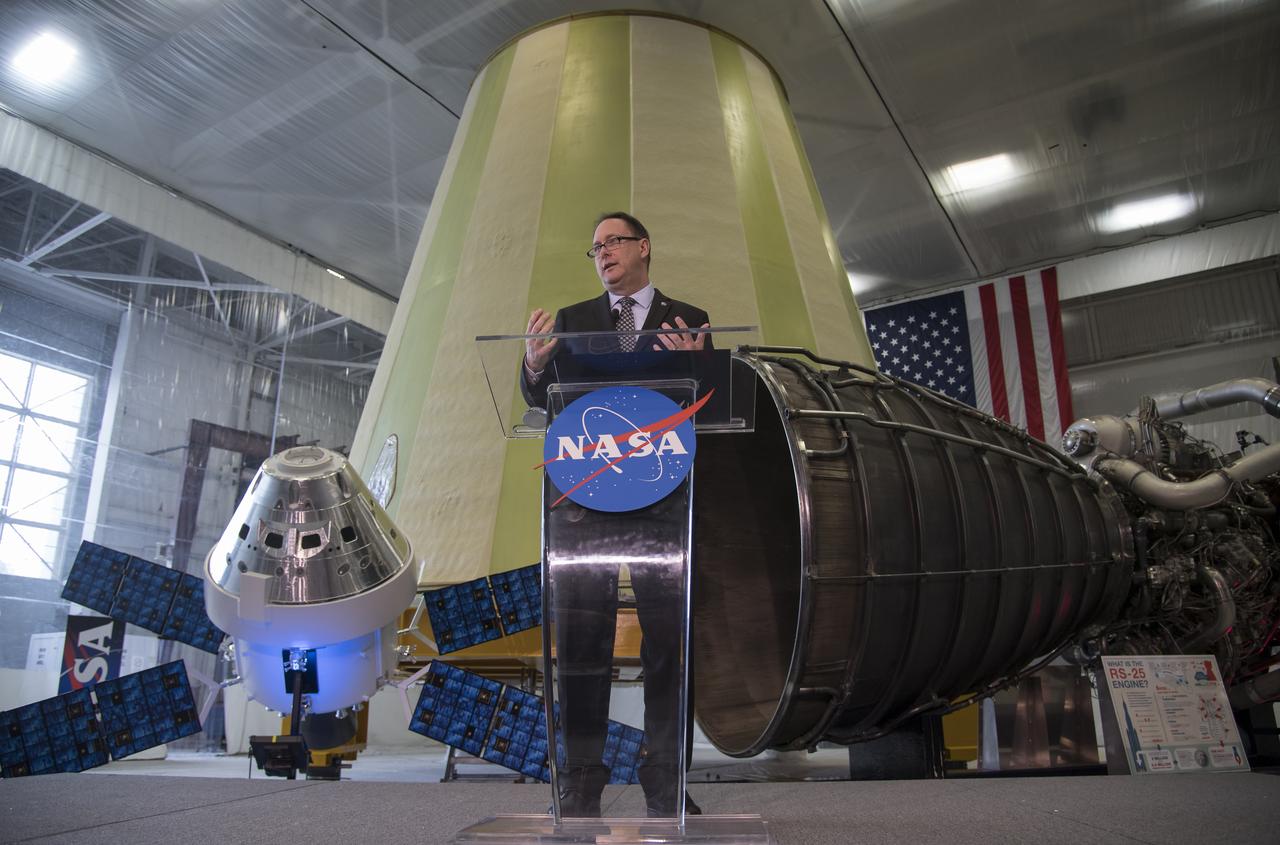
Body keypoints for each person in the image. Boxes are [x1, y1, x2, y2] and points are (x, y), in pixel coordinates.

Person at [523, 212, 708, 818]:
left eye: (612, 242)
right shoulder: (573, 321)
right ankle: (579, 782)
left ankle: (664, 780)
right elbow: (537, 398)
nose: (602, 253)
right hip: (585, 501)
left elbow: (710, 401)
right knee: (581, 641)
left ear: (644, 247)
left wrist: (698, 367)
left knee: (668, 644)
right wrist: (532, 363)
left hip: (663, 500)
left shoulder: (690, 319)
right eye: (595, 247)